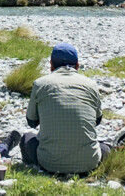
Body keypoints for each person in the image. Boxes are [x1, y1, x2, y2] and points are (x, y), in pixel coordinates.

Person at [21, 42, 110, 175]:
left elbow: (31, 121)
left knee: (26, 138)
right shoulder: (91, 84)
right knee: (106, 146)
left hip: (48, 163)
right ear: (78, 65)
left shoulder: (40, 84)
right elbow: (96, 120)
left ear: (51, 65)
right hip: (88, 162)